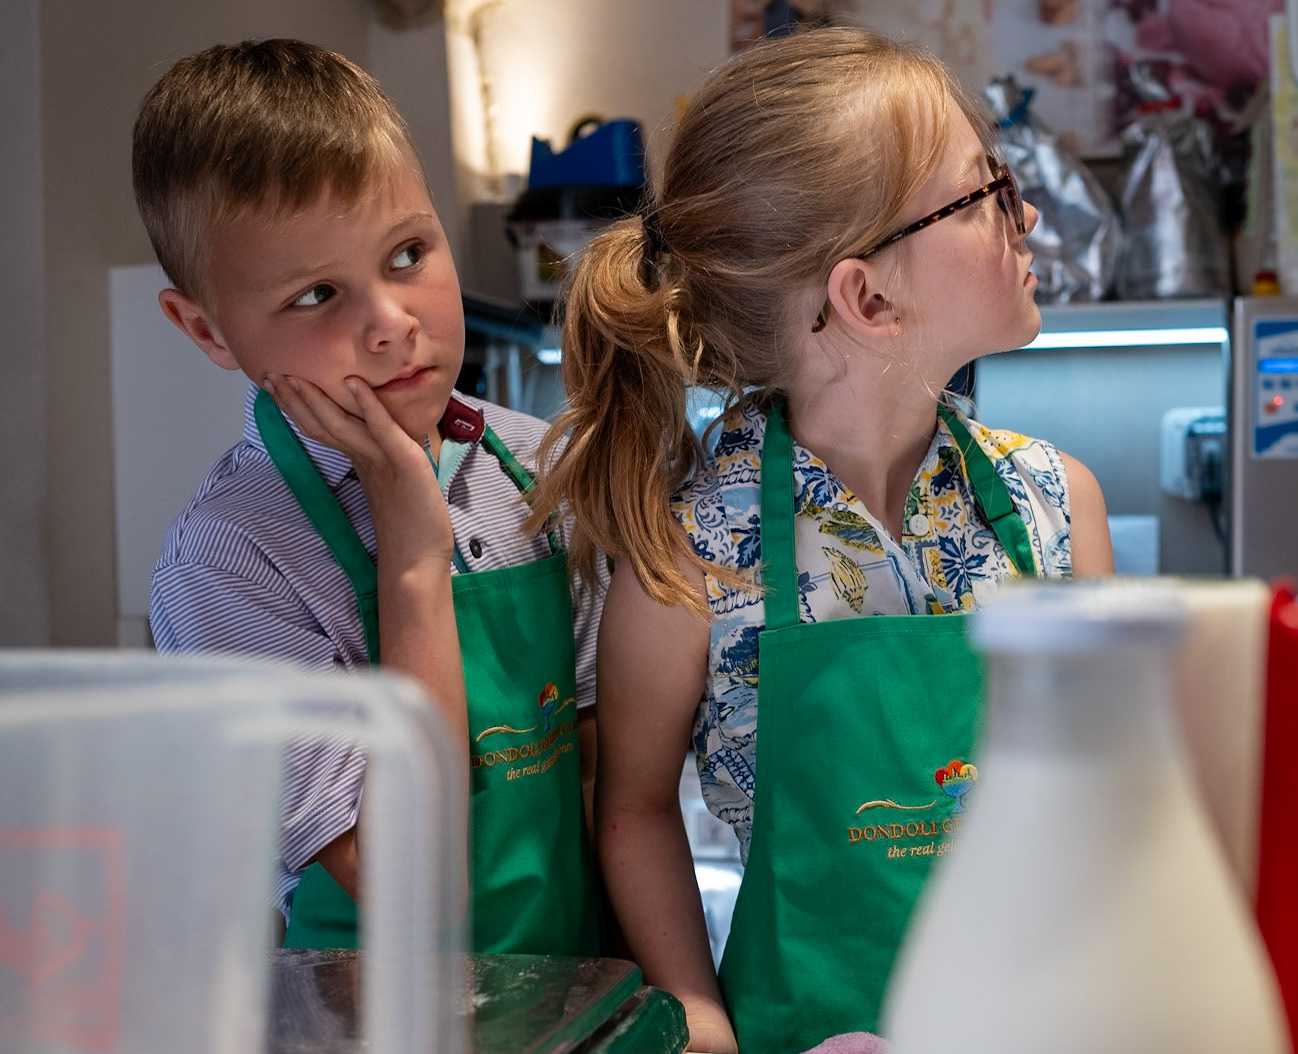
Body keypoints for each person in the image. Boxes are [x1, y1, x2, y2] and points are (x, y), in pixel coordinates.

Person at [529, 26, 1114, 1054]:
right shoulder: (688, 557)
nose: (1021, 213)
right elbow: (631, 809)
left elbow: (1102, 787)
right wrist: (695, 1008)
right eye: (984, 193)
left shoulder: (1054, 507)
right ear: (866, 297)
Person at [133, 38, 606, 955]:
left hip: (571, 1002)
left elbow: (595, 780)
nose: (391, 325)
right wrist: (414, 556)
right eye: (316, 294)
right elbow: (412, 884)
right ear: (206, 328)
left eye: (406, 254)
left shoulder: (540, 465)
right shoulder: (227, 565)